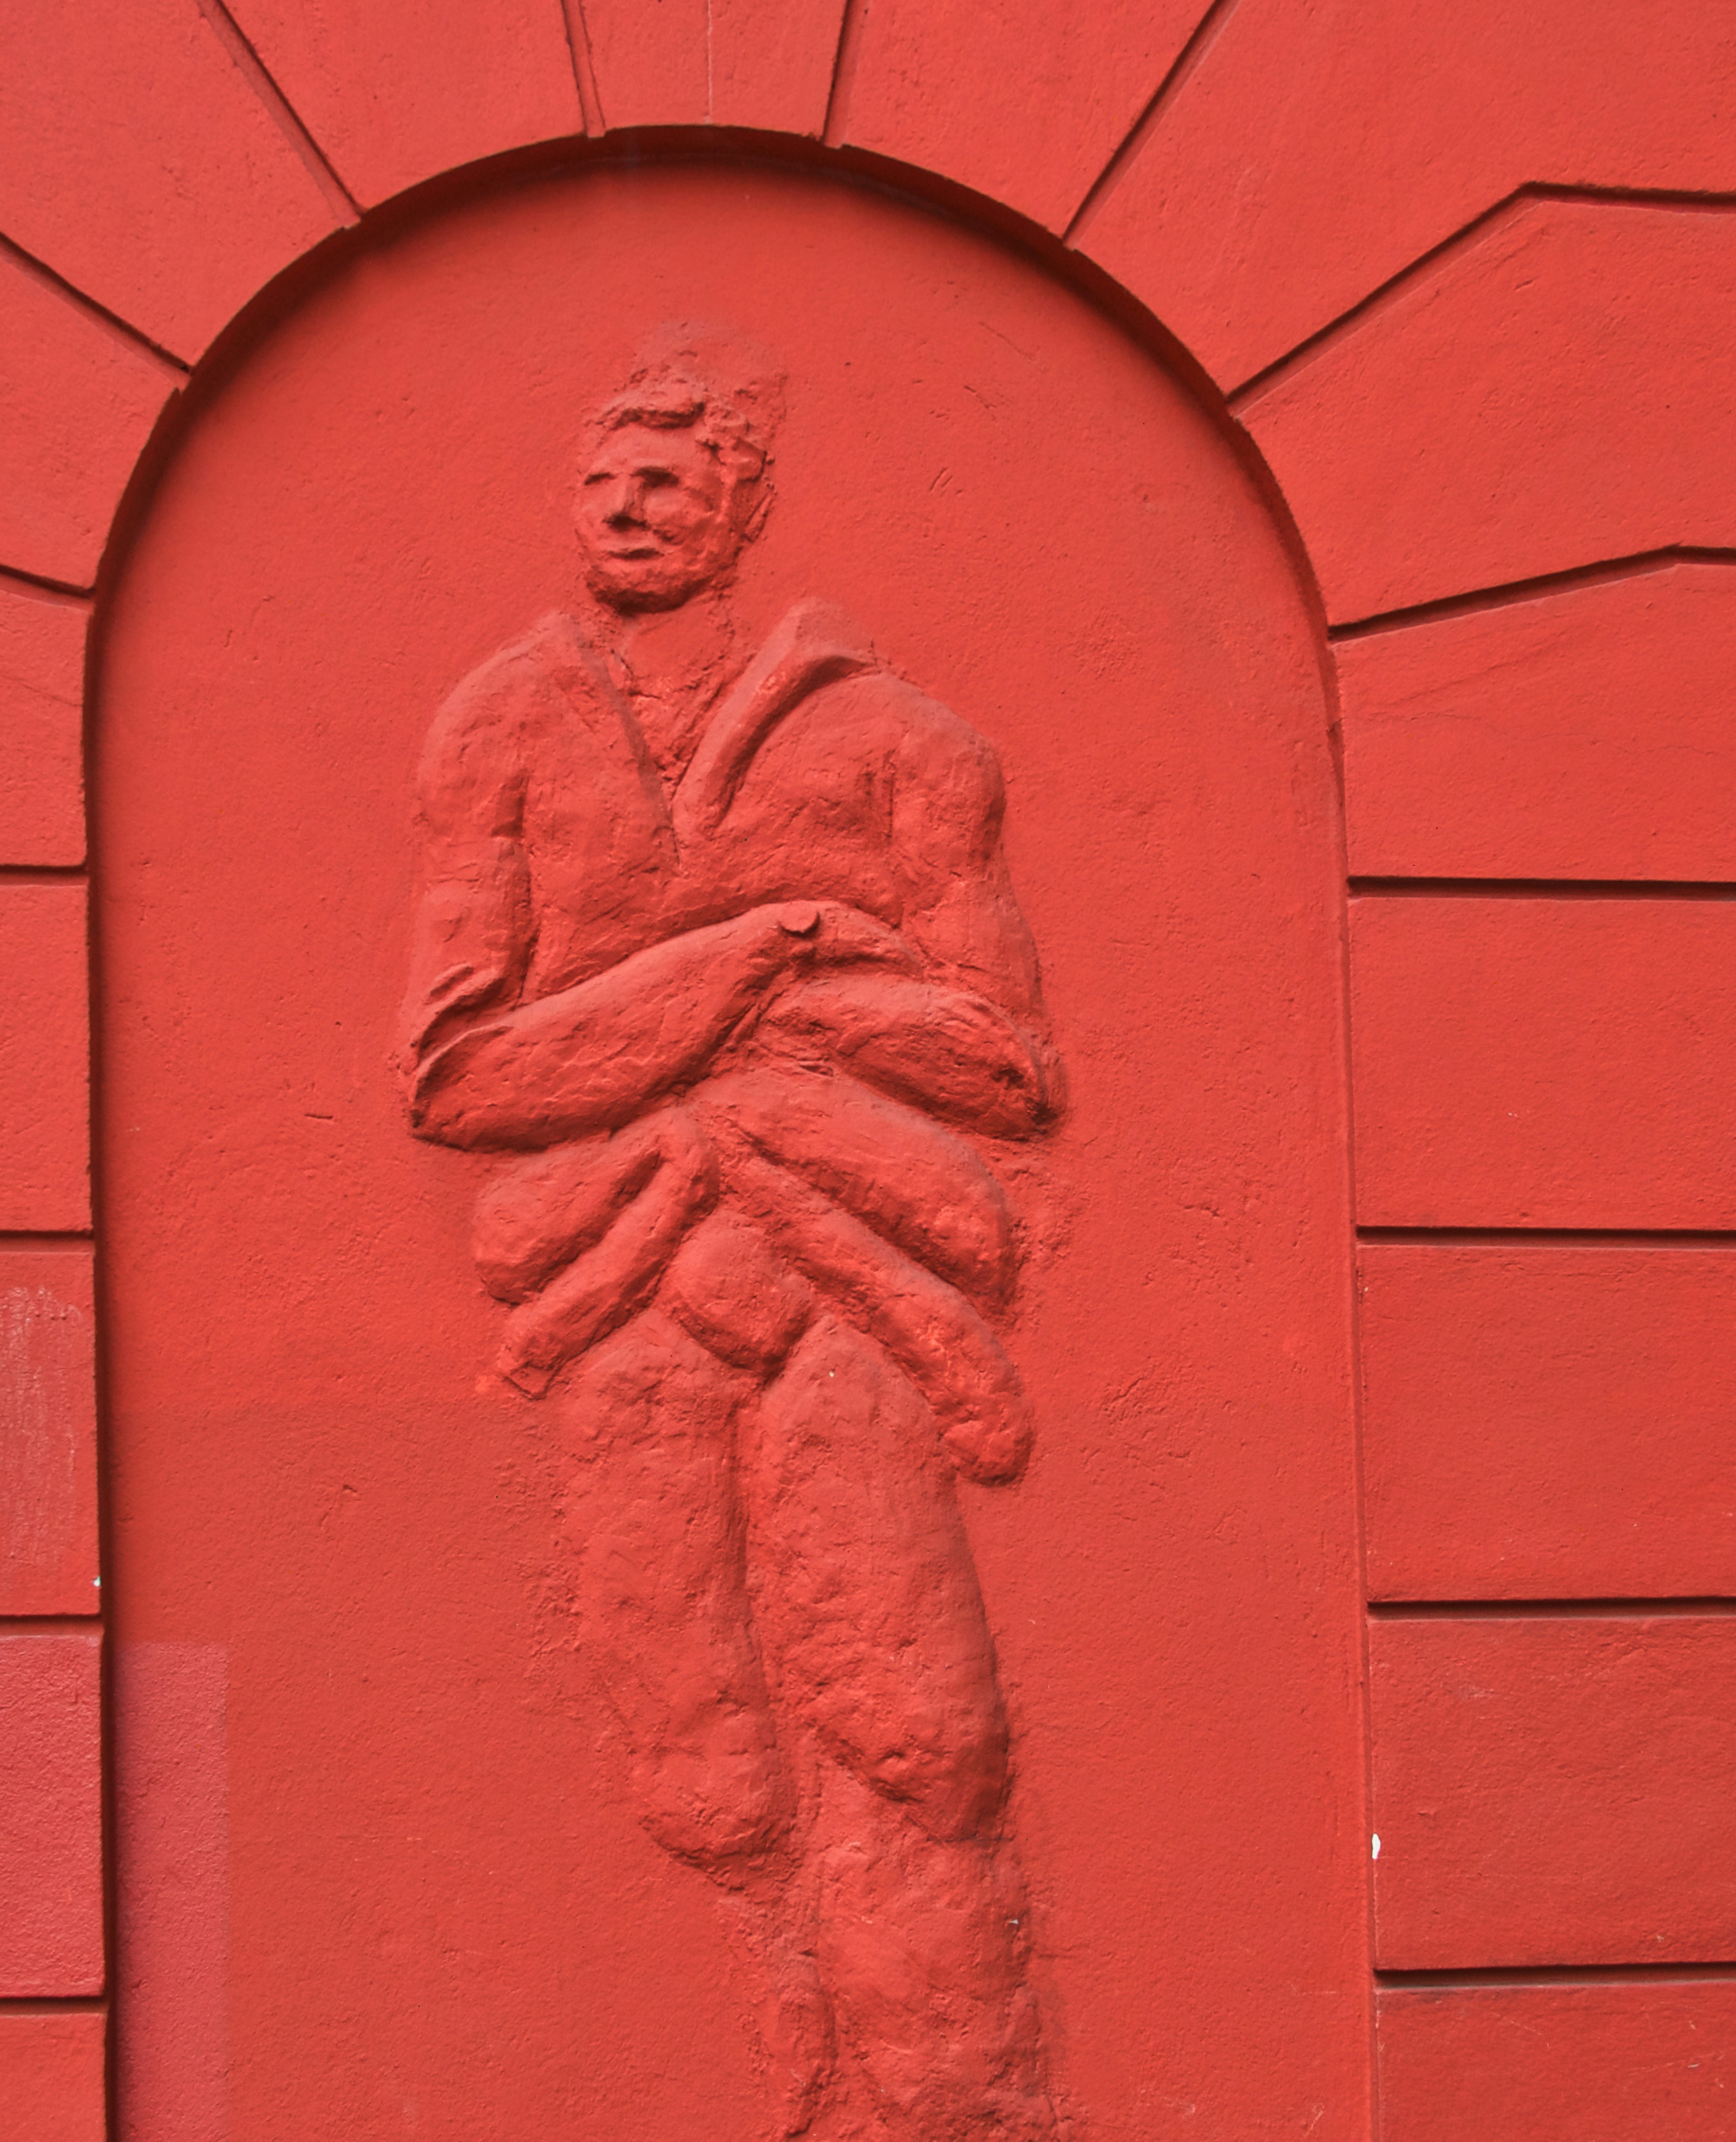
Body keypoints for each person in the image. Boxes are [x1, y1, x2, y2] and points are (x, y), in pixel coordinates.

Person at [401, 327, 1063, 2141]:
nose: (626, 505)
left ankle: (948, 2105)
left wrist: (681, 1033)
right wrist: (762, 956)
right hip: (622, 1309)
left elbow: (1001, 1064)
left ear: (741, 505)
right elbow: (460, 1077)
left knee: (919, 1729)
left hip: (841, 1292)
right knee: (692, 1756)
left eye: (668, 479)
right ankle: (793, 2052)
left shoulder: (902, 744)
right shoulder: (505, 724)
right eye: (602, 478)